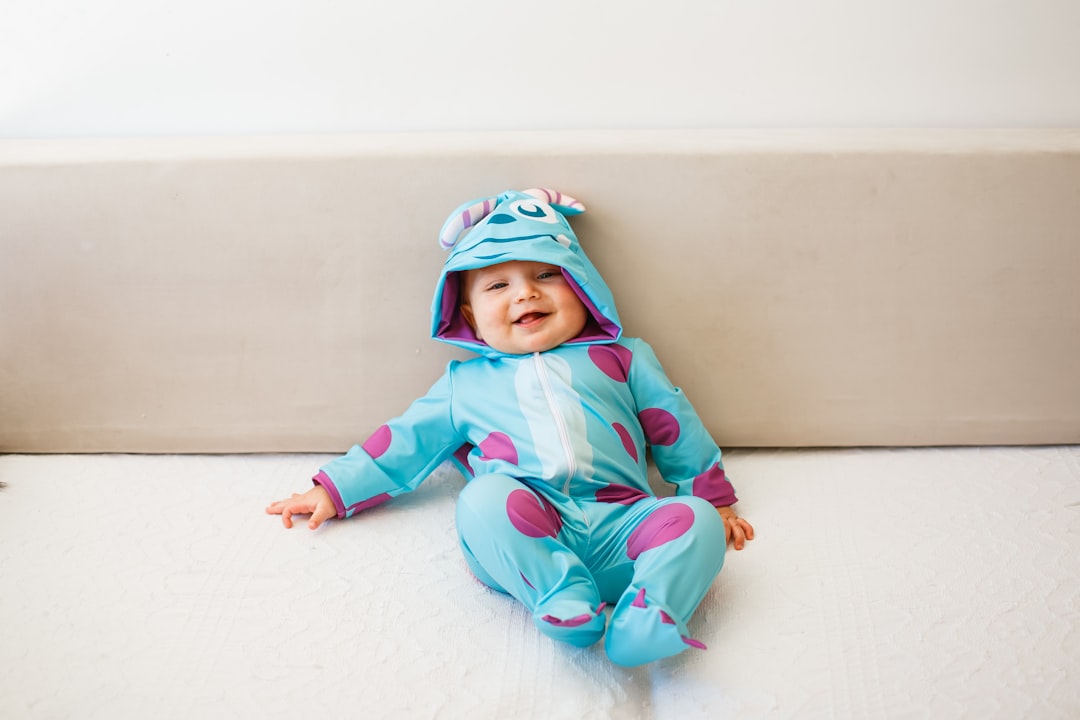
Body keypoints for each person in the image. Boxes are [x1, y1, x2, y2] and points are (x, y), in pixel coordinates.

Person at [266, 188, 753, 666]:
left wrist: (714, 499)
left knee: (696, 521)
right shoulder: (466, 382)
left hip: (623, 526)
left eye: (546, 274)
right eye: (498, 286)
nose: (526, 292)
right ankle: (561, 598)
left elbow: (675, 426)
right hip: (528, 533)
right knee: (482, 499)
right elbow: (404, 442)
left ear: (582, 286)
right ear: (469, 315)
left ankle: (650, 616)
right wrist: (333, 489)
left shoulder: (625, 359)